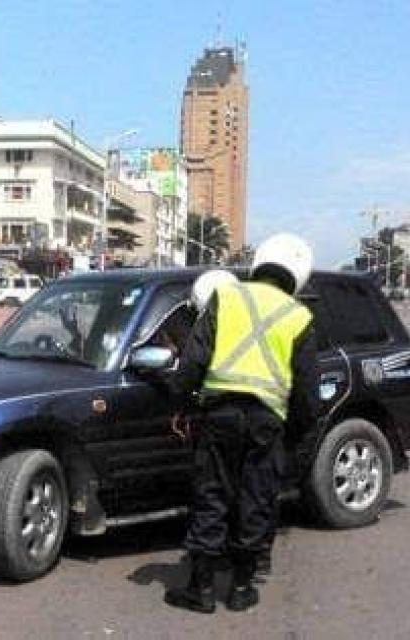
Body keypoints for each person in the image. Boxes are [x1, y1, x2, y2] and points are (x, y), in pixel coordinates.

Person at [163, 237, 319, 614]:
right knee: (256, 499)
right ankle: (241, 587)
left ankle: (200, 589)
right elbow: (306, 390)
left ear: (258, 263)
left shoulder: (227, 297)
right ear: (297, 277)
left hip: (220, 415)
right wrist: (297, 435)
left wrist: (180, 405)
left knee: (211, 495)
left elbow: (193, 361)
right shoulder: (299, 317)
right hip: (267, 422)